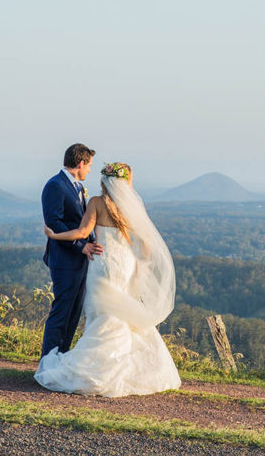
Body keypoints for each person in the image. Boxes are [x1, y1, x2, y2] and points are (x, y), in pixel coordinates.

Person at [34, 162, 181, 397]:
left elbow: (82, 233)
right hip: (126, 264)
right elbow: (146, 244)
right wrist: (141, 265)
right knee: (122, 313)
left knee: (101, 312)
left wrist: (55, 235)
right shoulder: (132, 206)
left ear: (105, 181)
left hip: (103, 263)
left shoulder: (96, 203)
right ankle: (126, 365)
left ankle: (97, 365)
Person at [40, 143, 103, 357]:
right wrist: (81, 245)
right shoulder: (55, 186)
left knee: (74, 313)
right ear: (80, 163)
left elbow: (80, 222)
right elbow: (54, 223)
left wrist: (92, 241)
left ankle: (61, 358)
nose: (89, 170)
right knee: (61, 311)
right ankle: (48, 361)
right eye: (89, 166)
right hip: (64, 260)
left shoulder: (76, 187)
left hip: (80, 261)